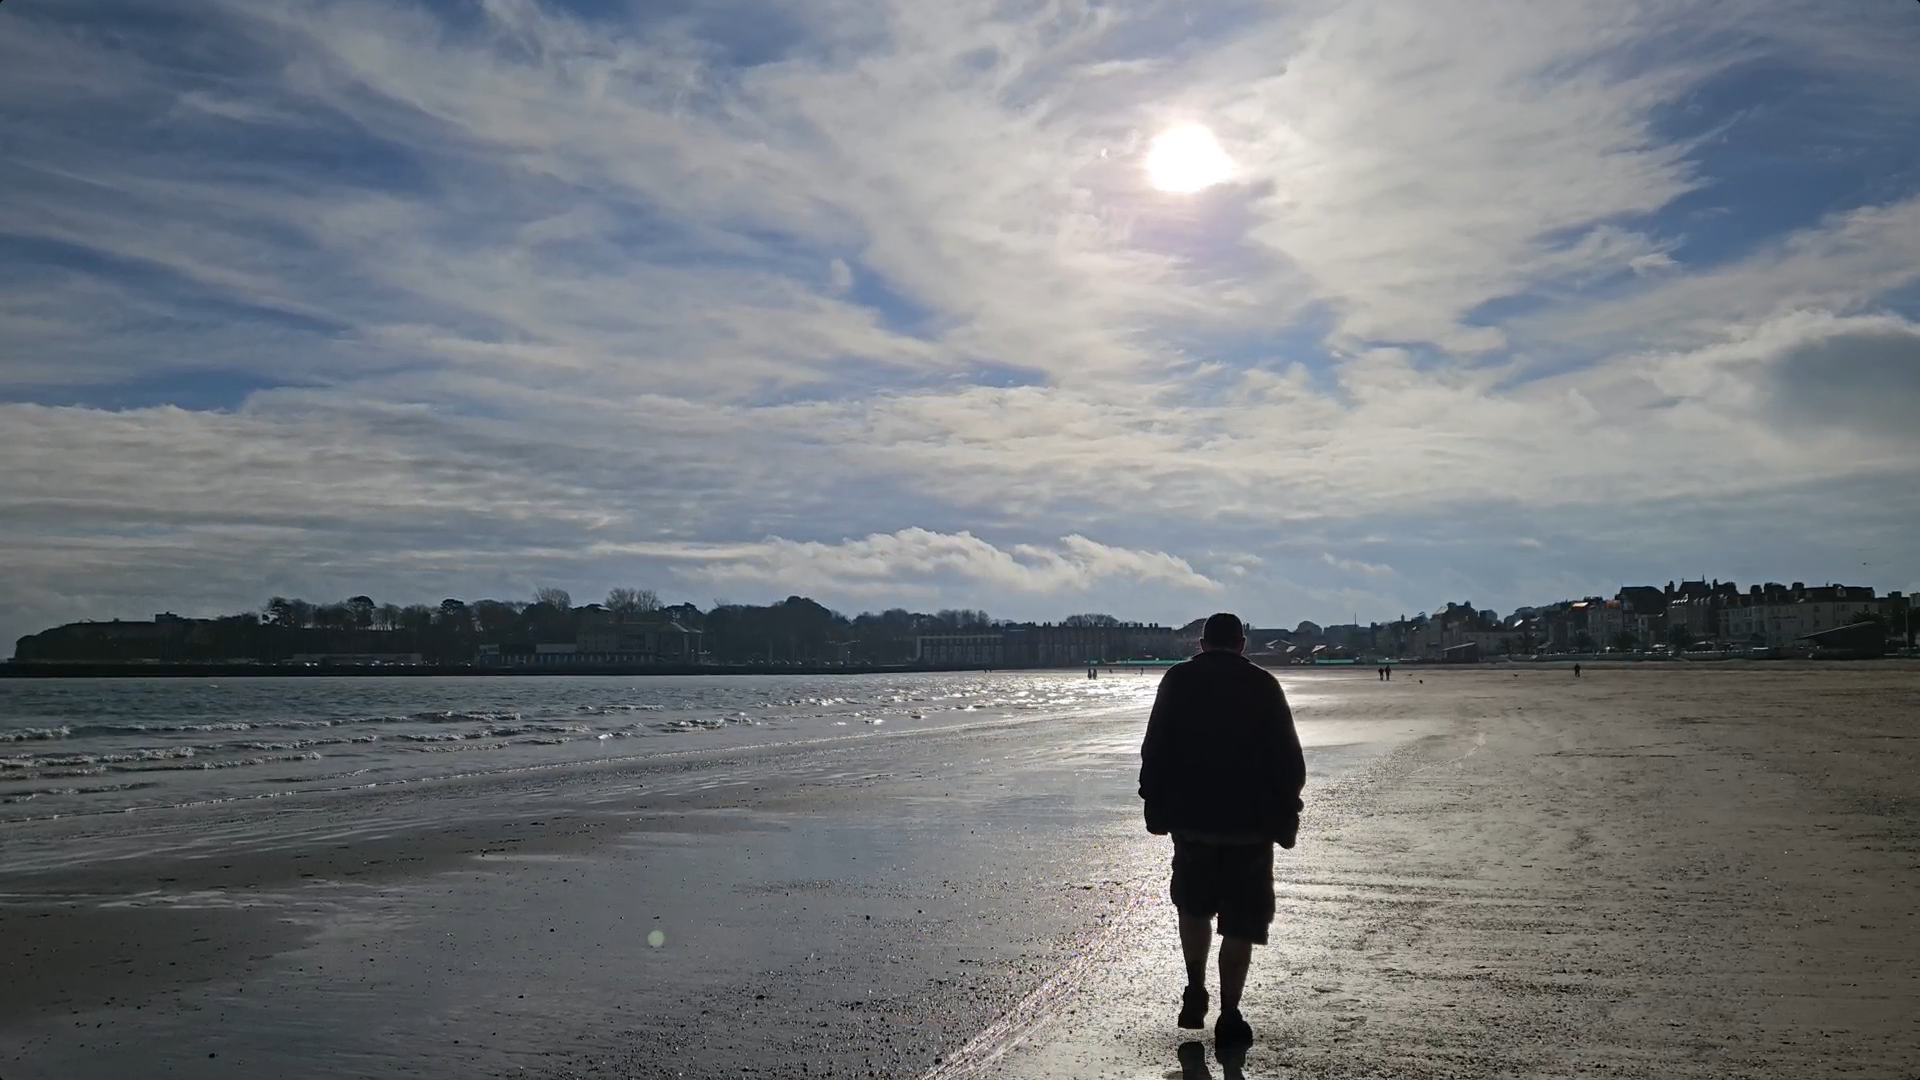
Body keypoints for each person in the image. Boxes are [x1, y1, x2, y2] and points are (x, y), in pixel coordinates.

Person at [1139, 612, 1306, 1054]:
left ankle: (1195, 988)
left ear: (1202, 642)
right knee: (1241, 924)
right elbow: (1289, 759)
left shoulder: (1177, 681)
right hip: (1249, 827)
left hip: (1192, 822)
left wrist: (1153, 803)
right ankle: (1230, 1013)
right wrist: (1287, 813)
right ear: (1242, 643)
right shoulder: (1264, 685)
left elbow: (1155, 747)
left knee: (1193, 909)